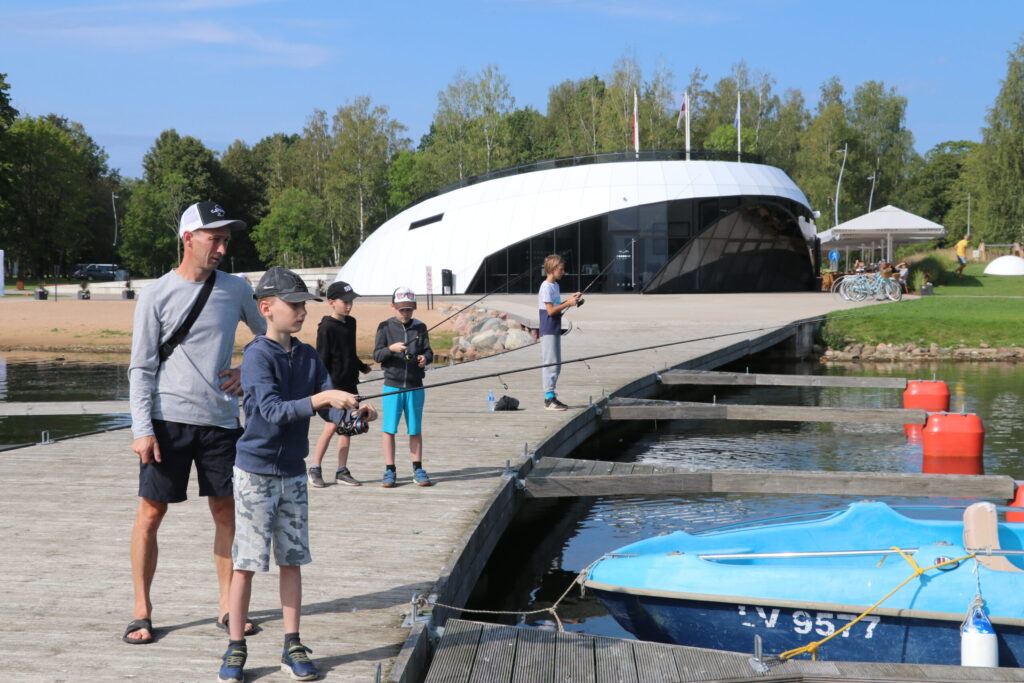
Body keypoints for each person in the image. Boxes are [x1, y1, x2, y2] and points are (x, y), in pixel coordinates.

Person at [218, 267, 376, 683]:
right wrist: (323, 396)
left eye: (304, 303)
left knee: (292, 561)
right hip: (254, 474)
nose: (302, 310)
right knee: (247, 563)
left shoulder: (306, 356)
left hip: (292, 475)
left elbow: (328, 410)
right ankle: (236, 647)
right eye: (294, 303)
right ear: (267, 308)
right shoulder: (256, 356)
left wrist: (354, 417)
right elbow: (271, 411)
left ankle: (292, 643)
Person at [125, 202, 266, 645]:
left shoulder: (236, 290)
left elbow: (268, 338)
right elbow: (141, 368)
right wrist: (141, 429)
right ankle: (141, 610)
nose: (222, 248)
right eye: (214, 238)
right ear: (188, 238)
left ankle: (228, 607)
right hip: (168, 422)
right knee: (151, 514)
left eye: (226, 240)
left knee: (227, 512)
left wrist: (248, 372)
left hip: (222, 422)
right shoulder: (156, 293)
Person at [308, 280, 371, 488]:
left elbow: (349, 353)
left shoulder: (350, 323)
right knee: (331, 425)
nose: (349, 305)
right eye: (345, 302)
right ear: (331, 302)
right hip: (331, 387)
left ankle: (341, 471)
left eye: (351, 301)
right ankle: (315, 468)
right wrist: (324, 390)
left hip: (350, 385)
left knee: (348, 427)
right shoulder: (326, 328)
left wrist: (361, 366)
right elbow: (322, 359)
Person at [373, 287, 433, 488]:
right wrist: (391, 349)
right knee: (389, 429)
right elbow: (377, 355)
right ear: (393, 307)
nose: (405, 313)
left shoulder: (421, 327)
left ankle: (418, 468)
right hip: (392, 385)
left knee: (414, 429)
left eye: (409, 309)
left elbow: (428, 351)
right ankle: (390, 469)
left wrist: (426, 358)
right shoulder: (384, 327)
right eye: (401, 309)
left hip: (415, 386)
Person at [538, 254, 581, 411]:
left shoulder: (555, 286)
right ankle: (549, 399)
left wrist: (570, 300)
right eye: (561, 269)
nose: (563, 272)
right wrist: (567, 303)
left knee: (556, 364)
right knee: (550, 363)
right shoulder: (546, 287)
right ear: (553, 269)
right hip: (548, 328)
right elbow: (550, 311)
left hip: (555, 327)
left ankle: (552, 396)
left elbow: (556, 307)